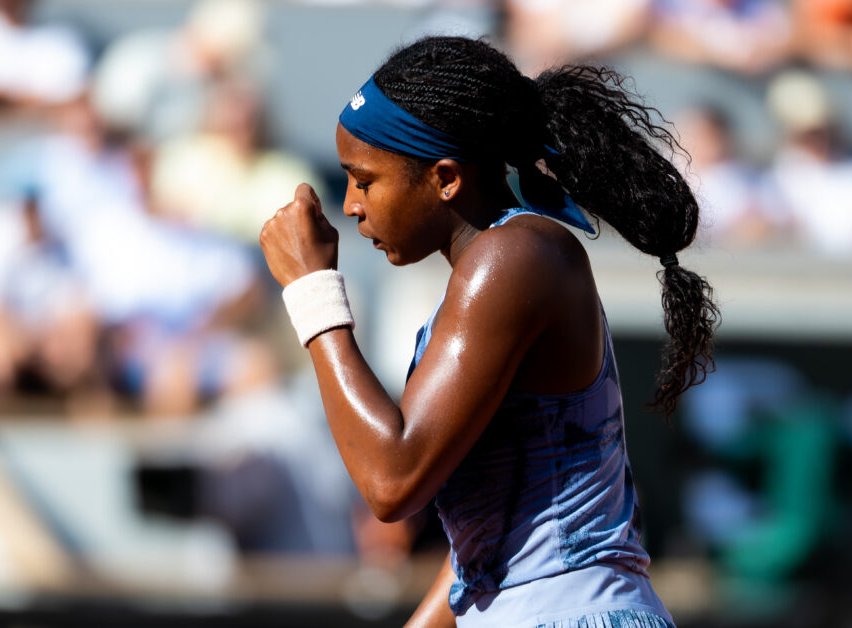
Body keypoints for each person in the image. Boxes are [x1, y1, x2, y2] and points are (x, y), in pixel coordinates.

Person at [260, 36, 719, 627]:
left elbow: (392, 481)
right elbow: (485, 555)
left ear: (445, 178)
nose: (350, 205)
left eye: (364, 180)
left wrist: (312, 289)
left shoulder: (514, 256)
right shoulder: (501, 266)